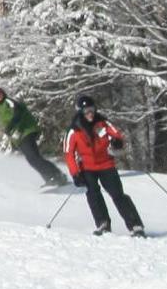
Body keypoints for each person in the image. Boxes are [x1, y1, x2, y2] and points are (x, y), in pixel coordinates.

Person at [61, 95, 145, 236]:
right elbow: (68, 153)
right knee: (93, 194)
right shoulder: (74, 130)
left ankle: (135, 225)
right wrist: (75, 173)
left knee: (118, 194)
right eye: (86, 110)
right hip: (87, 168)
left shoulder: (102, 123)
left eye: (92, 109)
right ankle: (103, 224)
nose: (90, 113)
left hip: (106, 164)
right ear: (80, 112)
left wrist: (117, 142)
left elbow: (116, 134)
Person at [0, 83, 67, 189]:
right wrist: (10, 133)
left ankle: (55, 176)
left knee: (33, 157)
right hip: (19, 136)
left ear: (3, 92)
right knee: (32, 159)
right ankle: (53, 177)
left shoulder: (9, 102)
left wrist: (11, 125)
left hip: (26, 130)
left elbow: (18, 112)